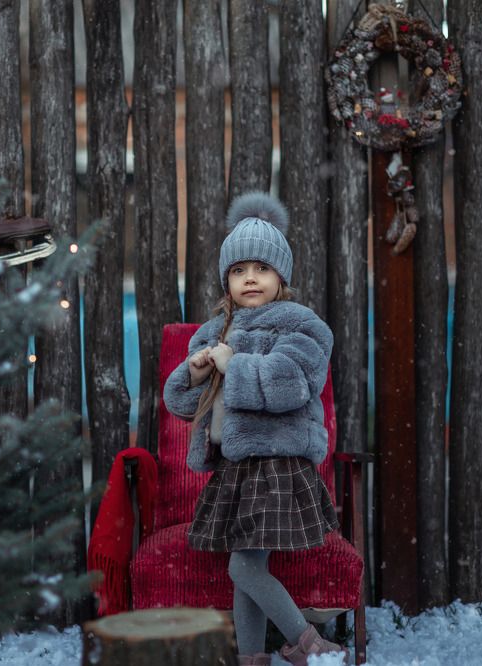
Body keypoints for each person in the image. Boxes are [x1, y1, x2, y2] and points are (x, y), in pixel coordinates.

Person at [163, 192, 348, 666]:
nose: (250, 278)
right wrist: (196, 373)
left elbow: (290, 385)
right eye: (238, 269)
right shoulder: (213, 331)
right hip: (235, 470)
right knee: (247, 566)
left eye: (261, 269)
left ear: (280, 276)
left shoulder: (301, 326)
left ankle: (305, 642)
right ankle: (252, 659)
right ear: (226, 279)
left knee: (243, 565)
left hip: (277, 465)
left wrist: (236, 365)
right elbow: (181, 403)